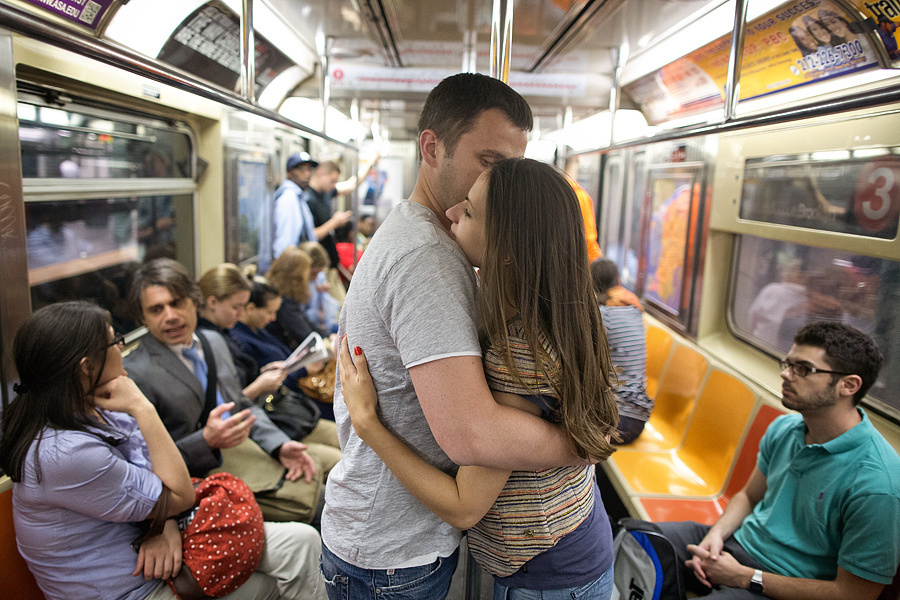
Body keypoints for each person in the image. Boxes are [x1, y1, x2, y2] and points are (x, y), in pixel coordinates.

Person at [320, 73, 592, 600]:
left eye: (511, 168)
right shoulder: (429, 259)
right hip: (394, 547)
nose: (498, 185)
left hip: (393, 532)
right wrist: (580, 443)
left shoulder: (423, 237)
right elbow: (473, 436)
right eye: (489, 164)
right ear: (431, 147)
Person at [0, 301, 324, 600]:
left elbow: (154, 475)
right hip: (129, 588)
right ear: (86, 367)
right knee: (269, 586)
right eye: (115, 342)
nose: (121, 349)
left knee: (303, 543)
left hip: (157, 544)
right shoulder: (64, 451)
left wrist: (162, 522)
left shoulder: (95, 405)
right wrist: (144, 409)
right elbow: (179, 494)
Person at [656, 322, 900, 599]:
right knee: (642, 541)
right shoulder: (785, 428)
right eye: (788, 363)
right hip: (739, 545)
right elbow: (749, 496)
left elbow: (853, 594)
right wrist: (716, 534)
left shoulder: (878, 483)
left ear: (849, 385)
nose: (786, 374)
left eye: (804, 369)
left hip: (787, 583)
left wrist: (745, 578)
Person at [123, 258, 320, 488]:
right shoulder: (135, 372)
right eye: (156, 310)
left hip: (244, 442)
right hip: (199, 474)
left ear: (194, 302)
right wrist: (205, 441)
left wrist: (278, 445)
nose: (170, 316)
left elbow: (240, 404)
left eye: (177, 303)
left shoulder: (213, 342)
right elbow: (144, 461)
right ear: (143, 318)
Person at [591, 257, 652, 444]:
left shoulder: (602, 316)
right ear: (617, 282)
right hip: (638, 417)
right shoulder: (633, 310)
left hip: (618, 419)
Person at [265, 246, 329, 350]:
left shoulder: (281, 294)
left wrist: (327, 335)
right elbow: (304, 335)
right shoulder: (285, 302)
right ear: (297, 278)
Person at [272, 152, 318, 261]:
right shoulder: (289, 198)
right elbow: (285, 242)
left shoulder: (299, 196)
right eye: (302, 170)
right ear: (289, 173)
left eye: (309, 170)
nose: (307, 174)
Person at [298, 241, 341, 331]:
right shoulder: (296, 285)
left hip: (325, 323)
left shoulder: (319, 277)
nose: (315, 277)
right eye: (313, 273)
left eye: (318, 273)